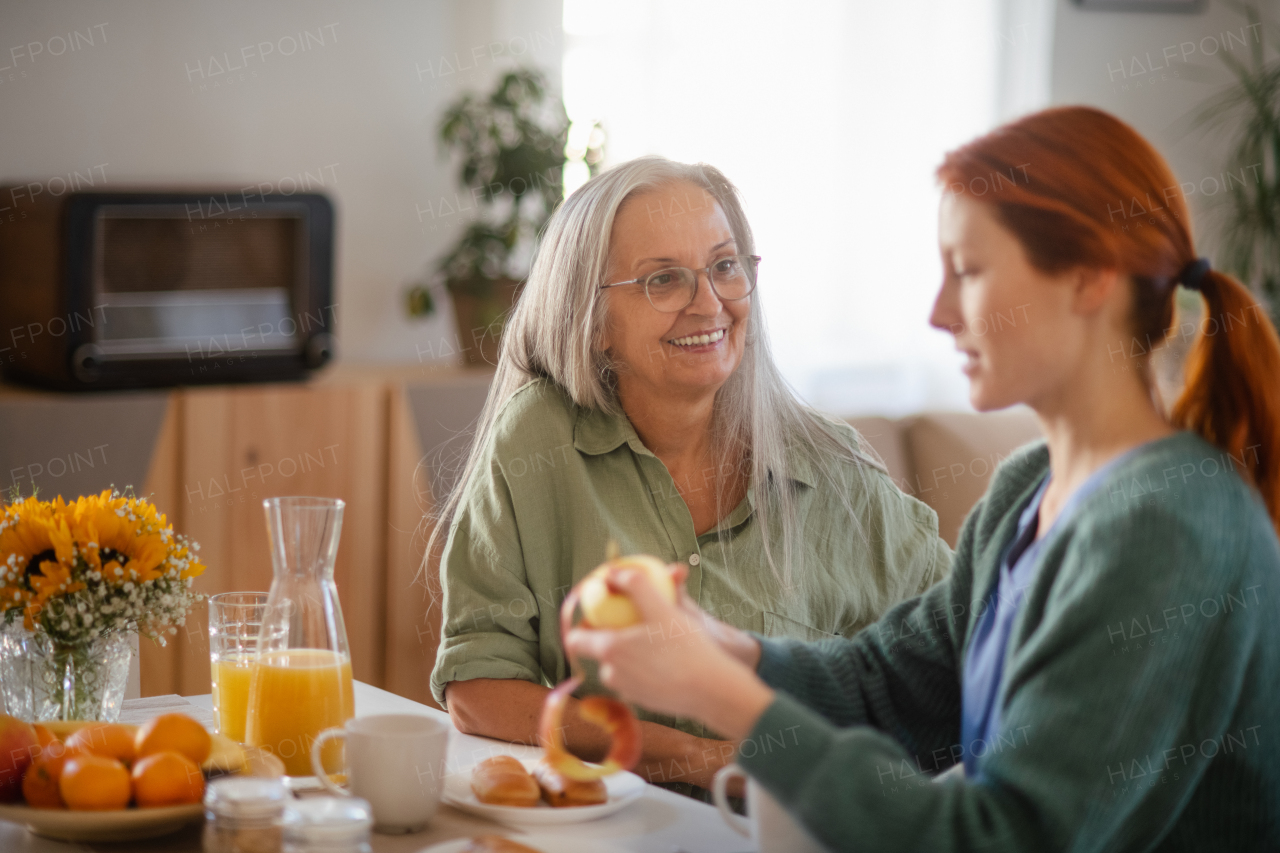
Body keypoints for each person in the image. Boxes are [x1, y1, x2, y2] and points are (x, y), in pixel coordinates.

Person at [567, 106, 1280, 849]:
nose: (938, 313)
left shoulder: (1168, 526)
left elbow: (999, 838)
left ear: (1087, 279)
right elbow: (891, 683)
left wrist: (726, 700)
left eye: (967, 272)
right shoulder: (1028, 489)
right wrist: (722, 645)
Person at [429, 156, 952, 794]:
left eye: (725, 267)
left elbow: (969, 657)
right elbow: (479, 688)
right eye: (664, 280)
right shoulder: (539, 439)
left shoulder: (837, 472)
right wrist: (684, 756)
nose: (709, 304)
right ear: (593, 322)